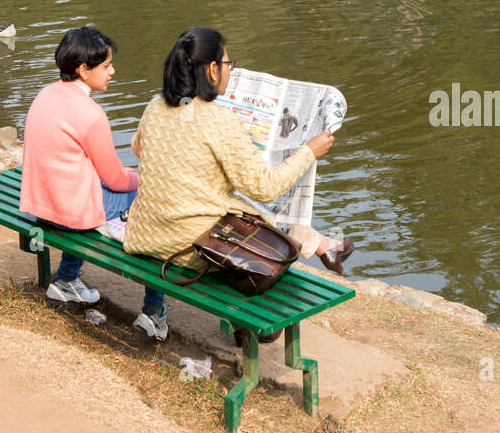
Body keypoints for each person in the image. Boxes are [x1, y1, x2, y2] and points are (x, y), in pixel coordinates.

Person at [123, 27, 353, 342]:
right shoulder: (218, 121)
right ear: (212, 69)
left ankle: (322, 246)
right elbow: (265, 187)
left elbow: (138, 149)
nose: (231, 71)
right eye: (229, 64)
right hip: (192, 247)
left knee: (252, 216)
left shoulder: (156, 105)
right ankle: (254, 324)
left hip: (147, 232)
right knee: (269, 237)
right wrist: (308, 152)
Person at [19, 27, 167, 333]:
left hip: (40, 205)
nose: (113, 72)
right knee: (158, 208)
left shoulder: (46, 93)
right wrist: (145, 182)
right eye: (106, 66)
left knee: (87, 188)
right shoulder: (91, 114)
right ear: (84, 70)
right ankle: (154, 313)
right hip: (69, 214)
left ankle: (66, 280)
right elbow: (114, 178)